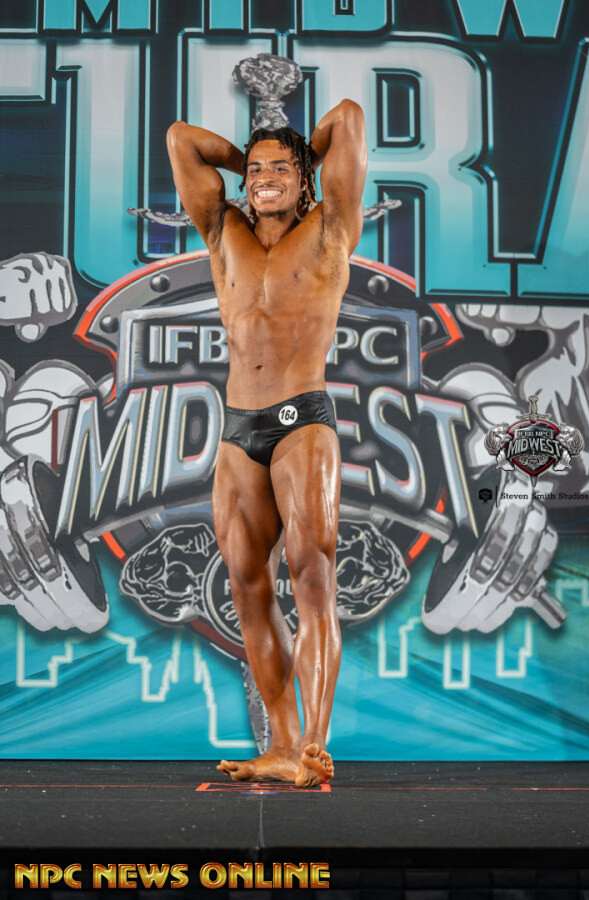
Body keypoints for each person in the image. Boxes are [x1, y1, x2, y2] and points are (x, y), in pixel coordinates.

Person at [167, 99, 367, 786]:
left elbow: (348, 118)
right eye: (255, 171)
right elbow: (182, 139)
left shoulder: (332, 226)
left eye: (280, 169)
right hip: (237, 430)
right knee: (248, 588)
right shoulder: (222, 228)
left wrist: (298, 155)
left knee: (312, 577)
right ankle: (281, 747)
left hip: (301, 424)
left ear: (306, 178)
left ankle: (314, 743)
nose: (263, 178)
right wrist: (250, 161)